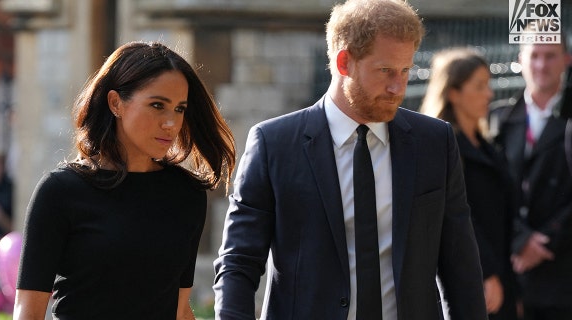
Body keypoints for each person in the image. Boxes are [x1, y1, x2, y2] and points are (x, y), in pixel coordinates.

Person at [213, 0, 487, 319]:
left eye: (405, 70)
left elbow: (461, 267)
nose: (398, 87)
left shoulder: (434, 142)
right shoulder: (274, 143)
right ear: (344, 62)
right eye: (385, 71)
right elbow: (238, 263)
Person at [14, 41, 236, 320]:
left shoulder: (186, 194)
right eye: (158, 105)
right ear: (115, 103)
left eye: (180, 109)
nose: (171, 123)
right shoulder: (60, 192)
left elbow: (178, 308)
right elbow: (28, 313)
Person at [420, 48, 517, 320]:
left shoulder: (488, 146)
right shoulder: (441, 148)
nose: (489, 94)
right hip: (475, 280)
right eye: (479, 86)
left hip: (503, 278)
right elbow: (458, 218)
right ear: (453, 93)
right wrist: (486, 273)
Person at [489, 40, 572, 320]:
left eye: (550, 56)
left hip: (563, 272)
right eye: (534, 56)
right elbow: (486, 190)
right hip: (510, 273)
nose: (541, 65)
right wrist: (520, 238)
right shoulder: (496, 118)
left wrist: (547, 240)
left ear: (566, 60)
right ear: (520, 58)